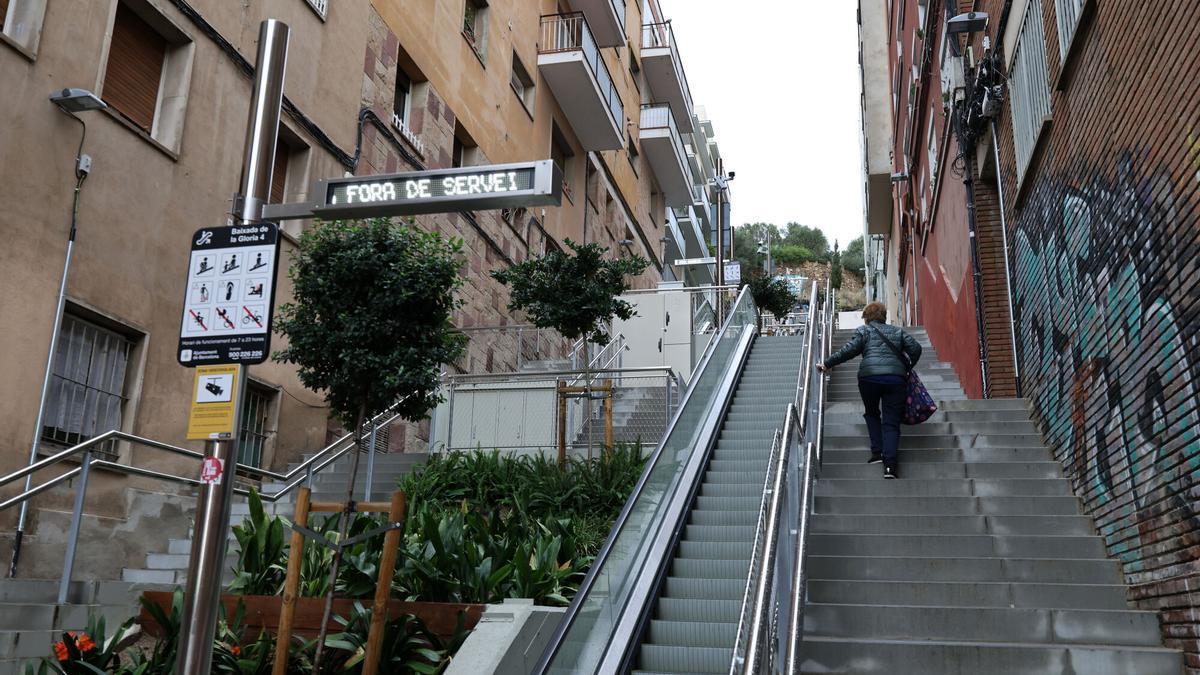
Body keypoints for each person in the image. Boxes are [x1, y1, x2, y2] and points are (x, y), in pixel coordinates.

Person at [818, 302, 921, 479]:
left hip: (869, 378)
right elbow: (916, 349)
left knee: (872, 413)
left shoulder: (863, 331)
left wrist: (827, 363)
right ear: (883, 316)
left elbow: (848, 351)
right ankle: (890, 467)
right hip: (895, 379)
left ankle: (877, 453)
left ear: (867, 317)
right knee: (891, 422)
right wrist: (907, 367)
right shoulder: (897, 332)